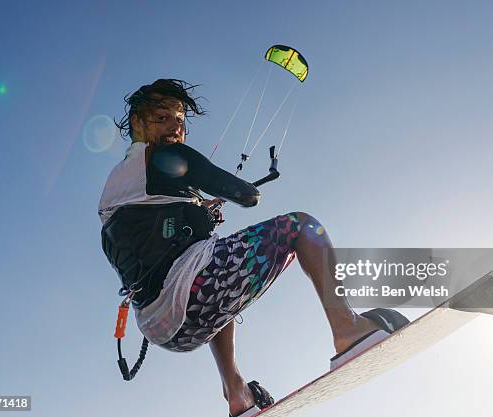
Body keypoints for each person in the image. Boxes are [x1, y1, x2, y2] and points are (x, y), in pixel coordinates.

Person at [99, 79, 409, 417]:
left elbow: (149, 235)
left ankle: (236, 393)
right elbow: (247, 196)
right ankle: (348, 329)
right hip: (191, 296)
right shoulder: (165, 155)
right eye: (163, 118)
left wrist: (198, 214)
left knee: (209, 260)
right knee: (302, 226)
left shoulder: (113, 190)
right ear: (138, 124)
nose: (176, 127)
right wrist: (239, 192)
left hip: (163, 328)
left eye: (180, 120)